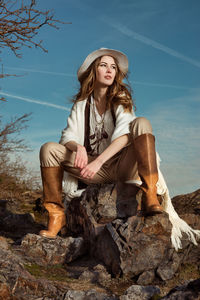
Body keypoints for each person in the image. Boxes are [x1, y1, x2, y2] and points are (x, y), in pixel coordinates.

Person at [39, 48, 200, 250]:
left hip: (121, 166)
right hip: (90, 170)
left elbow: (125, 136)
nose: (109, 70)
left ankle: (150, 195)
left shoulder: (121, 97)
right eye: (103, 65)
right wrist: (77, 147)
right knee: (48, 149)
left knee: (141, 123)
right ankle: (56, 215)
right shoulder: (81, 104)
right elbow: (67, 136)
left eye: (113, 67)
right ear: (93, 71)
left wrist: (98, 162)